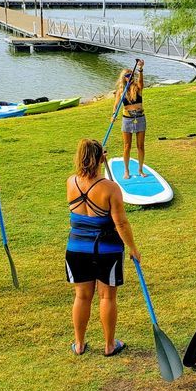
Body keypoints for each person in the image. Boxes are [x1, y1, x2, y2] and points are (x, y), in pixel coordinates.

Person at [65, 138, 141, 356]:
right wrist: (133, 248)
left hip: (77, 248)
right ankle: (109, 345)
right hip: (106, 250)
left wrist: (98, 161)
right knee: (107, 297)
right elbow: (121, 223)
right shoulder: (110, 188)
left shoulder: (71, 182)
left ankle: (79, 344)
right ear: (100, 158)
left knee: (82, 296)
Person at [115, 59, 147, 179]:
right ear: (124, 78)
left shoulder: (137, 88)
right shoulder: (121, 91)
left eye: (132, 75)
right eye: (128, 76)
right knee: (127, 146)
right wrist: (113, 115)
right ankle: (126, 171)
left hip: (140, 118)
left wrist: (140, 69)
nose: (131, 77)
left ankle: (140, 170)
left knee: (140, 146)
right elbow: (116, 105)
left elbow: (141, 83)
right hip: (127, 119)